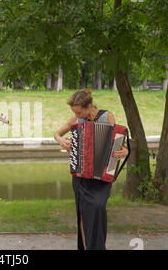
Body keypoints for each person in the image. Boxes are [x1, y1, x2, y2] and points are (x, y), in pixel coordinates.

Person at [54, 89, 128, 250]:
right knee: (83, 213)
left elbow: (118, 144)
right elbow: (57, 133)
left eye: (79, 112)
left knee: (98, 208)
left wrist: (125, 151)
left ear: (89, 106)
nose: (77, 116)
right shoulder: (77, 117)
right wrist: (61, 141)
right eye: (75, 112)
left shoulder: (107, 116)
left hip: (101, 177)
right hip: (80, 177)